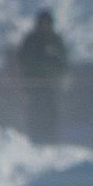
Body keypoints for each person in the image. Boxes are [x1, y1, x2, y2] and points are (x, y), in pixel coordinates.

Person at [16, 10, 68, 144]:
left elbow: (64, 63)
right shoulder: (31, 40)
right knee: (35, 114)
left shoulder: (55, 40)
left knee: (51, 115)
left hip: (52, 87)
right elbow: (23, 61)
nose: (46, 26)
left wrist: (57, 72)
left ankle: (51, 141)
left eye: (48, 23)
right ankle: (35, 141)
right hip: (34, 87)